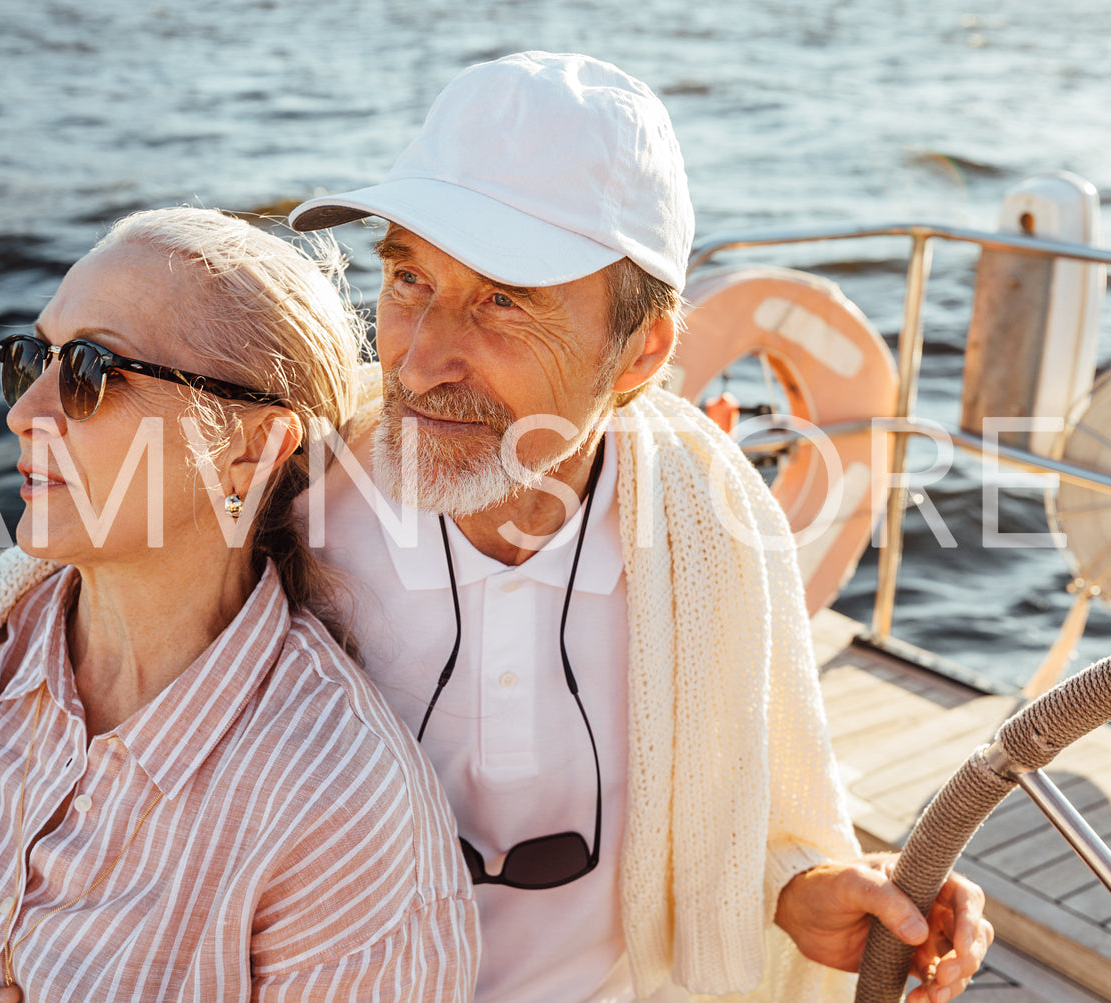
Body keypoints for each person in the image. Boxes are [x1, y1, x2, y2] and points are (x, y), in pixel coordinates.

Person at [289, 52, 993, 1003]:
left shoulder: (711, 533)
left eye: (504, 299)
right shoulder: (287, 505)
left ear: (639, 350)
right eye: (409, 277)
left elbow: (744, 811)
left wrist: (799, 886)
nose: (418, 360)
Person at [0, 207, 478, 1002]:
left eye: (93, 371)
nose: (26, 413)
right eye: (31, 358)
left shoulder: (335, 807)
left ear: (252, 450)